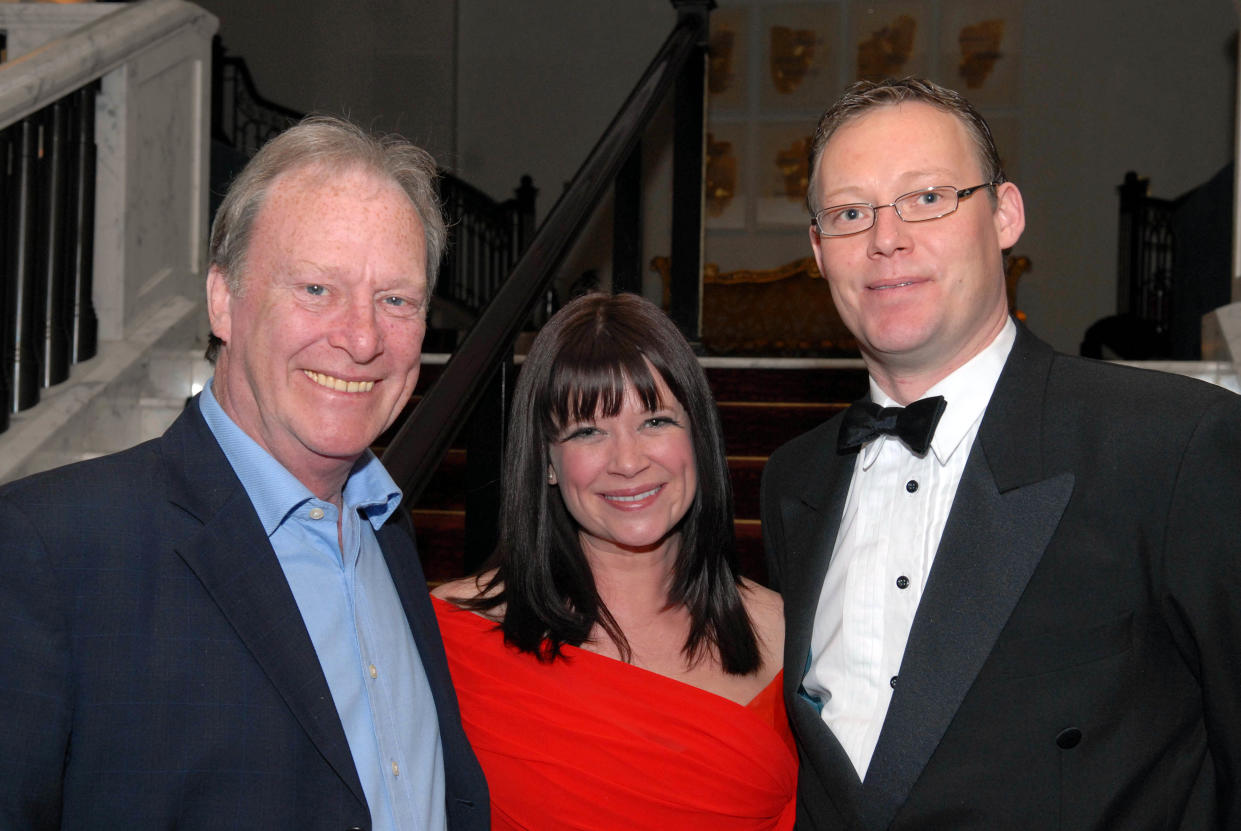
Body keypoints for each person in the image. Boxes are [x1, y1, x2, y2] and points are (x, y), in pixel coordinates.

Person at [761, 76, 1241, 830]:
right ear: (819, 251)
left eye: (926, 198)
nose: (885, 238)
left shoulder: (1173, 446)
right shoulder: (796, 478)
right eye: (850, 212)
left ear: (1004, 214)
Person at [0, 116, 488, 830]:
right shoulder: (53, 549)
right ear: (223, 299)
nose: (360, 338)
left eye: (396, 300)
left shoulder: (385, 532)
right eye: (317, 288)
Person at [433, 292, 795, 831]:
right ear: (548, 462)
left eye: (655, 422)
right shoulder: (450, 637)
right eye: (587, 431)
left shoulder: (788, 630)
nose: (628, 462)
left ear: (698, 436)